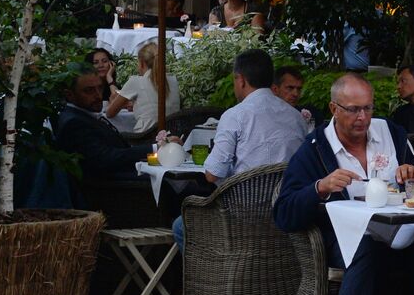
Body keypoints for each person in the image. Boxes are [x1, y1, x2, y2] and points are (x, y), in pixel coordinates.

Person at [272, 73, 414, 295]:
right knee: (366, 249)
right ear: (334, 108)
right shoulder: (315, 149)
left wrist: (411, 173)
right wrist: (320, 187)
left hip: (398, 229)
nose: (363, 118)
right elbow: (284, 211)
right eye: (354, 110)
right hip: (340, 236)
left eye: (368, 109)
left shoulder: (390, 133)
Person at [171, 49, 308, 248]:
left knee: (180, 227)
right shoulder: (296, 118)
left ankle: (214, 277)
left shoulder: (235, 115)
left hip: (242, 214)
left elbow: (212, 174)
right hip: (286, 213)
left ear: (241, 80)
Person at [55, 71, 150, 184]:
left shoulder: (81, 115)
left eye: (100, 88)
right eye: (89, 91)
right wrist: (152, 149)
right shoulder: (74, 122)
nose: (98, 95)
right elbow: (105, 159)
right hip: (114, 187)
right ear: (69, 95)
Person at [105, 40, 181, 133]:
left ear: (141, 63)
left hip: (146, 136)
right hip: (172, 134)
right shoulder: (173, 80)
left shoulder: (136, 81)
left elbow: (110, 113)